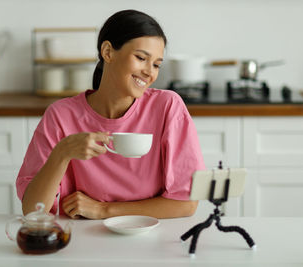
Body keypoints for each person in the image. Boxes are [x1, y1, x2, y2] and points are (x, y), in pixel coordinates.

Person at [16, 9, 205, 219]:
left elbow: (186, 204)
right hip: (83, 240)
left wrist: (103, 210)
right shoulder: (61, 116)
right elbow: (32, 210)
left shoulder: (167, 107)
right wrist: (62, 153)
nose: (150, 72)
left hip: (152, 238)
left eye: (156, 64)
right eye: (141, 58)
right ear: (108, 52)